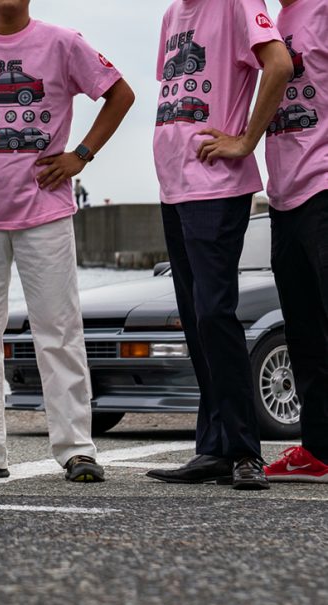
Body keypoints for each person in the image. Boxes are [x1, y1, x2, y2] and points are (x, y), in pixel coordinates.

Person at [0, 0, 135, 482]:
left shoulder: (62, 42)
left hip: (45, 212)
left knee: (57, 330)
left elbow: (120, 93)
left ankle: (76, 447)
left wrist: (81, 155)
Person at [146, 0, 293, 490]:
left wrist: (245, 139)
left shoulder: (235, 2)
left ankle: (246, 452)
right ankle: (213, 448)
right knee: (194, 318)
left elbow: (279, 63)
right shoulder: (172, 16)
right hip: (175, 187)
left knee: (214, 312)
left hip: (216, 185)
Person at [263, 0, 328, 483]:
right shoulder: (272, 23)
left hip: (325, 186)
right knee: (305, 333)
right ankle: (318, 449)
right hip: (284, 197)